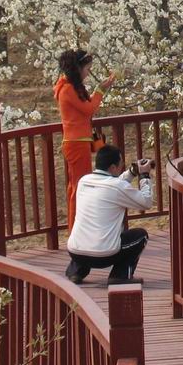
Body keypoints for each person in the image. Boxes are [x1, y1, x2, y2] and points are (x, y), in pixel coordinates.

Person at [65, 144, 153, 285]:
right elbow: (146, 202)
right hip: (104, 256)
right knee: (141, 235)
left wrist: (131, 172)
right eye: (121, 164)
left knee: (87, 231)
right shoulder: (117, 187)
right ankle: (120, 275)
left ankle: (75, 272)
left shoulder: (83, 181)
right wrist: (144, 176)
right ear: (113, 167)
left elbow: (112, 184)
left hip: (75, 252)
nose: (122, 166)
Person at [54, 49, 117, 230]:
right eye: (87, 69)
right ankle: (76, 229)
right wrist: (100, 91)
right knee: (79, 187)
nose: (88, 73)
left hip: (79, 142)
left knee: (76, 185)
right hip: (76, 143)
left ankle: (76, 227)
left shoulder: (71, 87)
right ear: (78, 68)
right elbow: (89, 109)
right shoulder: (67, 89)